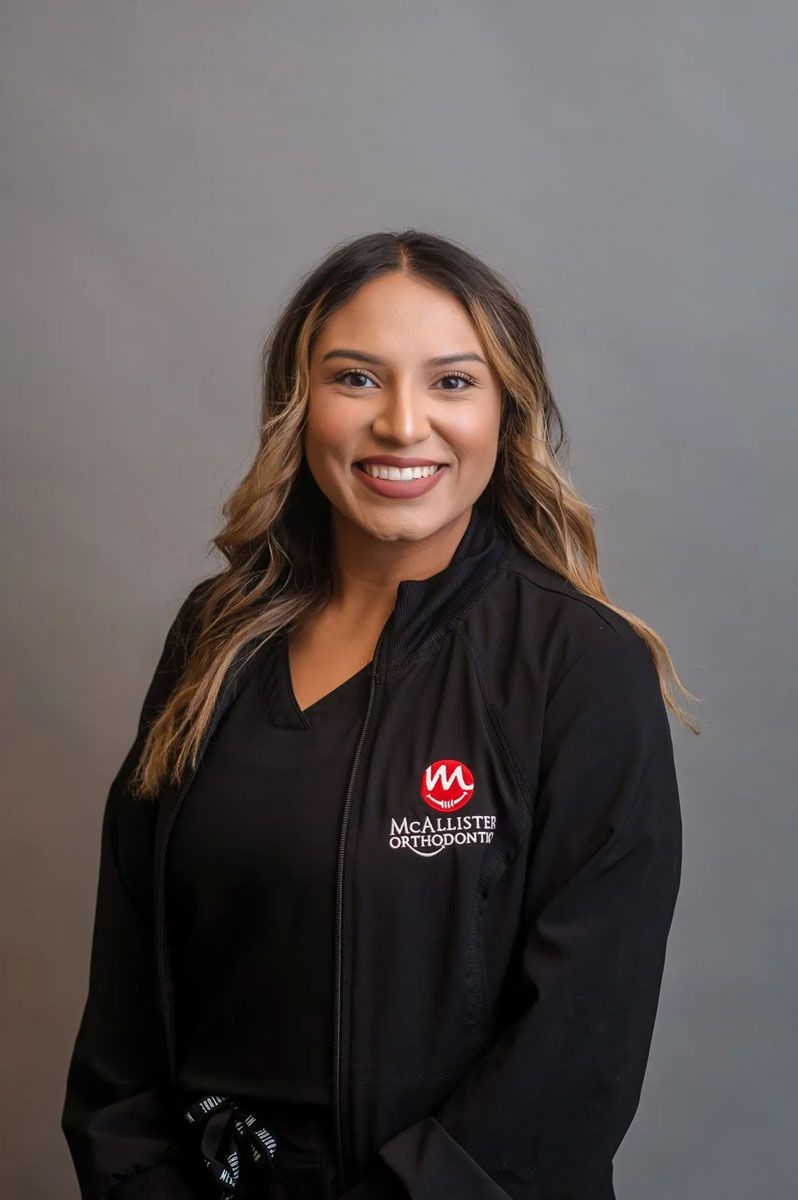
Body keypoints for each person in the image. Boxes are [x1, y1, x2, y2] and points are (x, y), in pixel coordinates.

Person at [60, 230, 699, 1200]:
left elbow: (579, 1048)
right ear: (296, 404)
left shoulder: (579, 667)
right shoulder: (216, 637)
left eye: (452, 382)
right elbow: (126, 990)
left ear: (505, 412)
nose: (403, 425)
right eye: (355, 379)